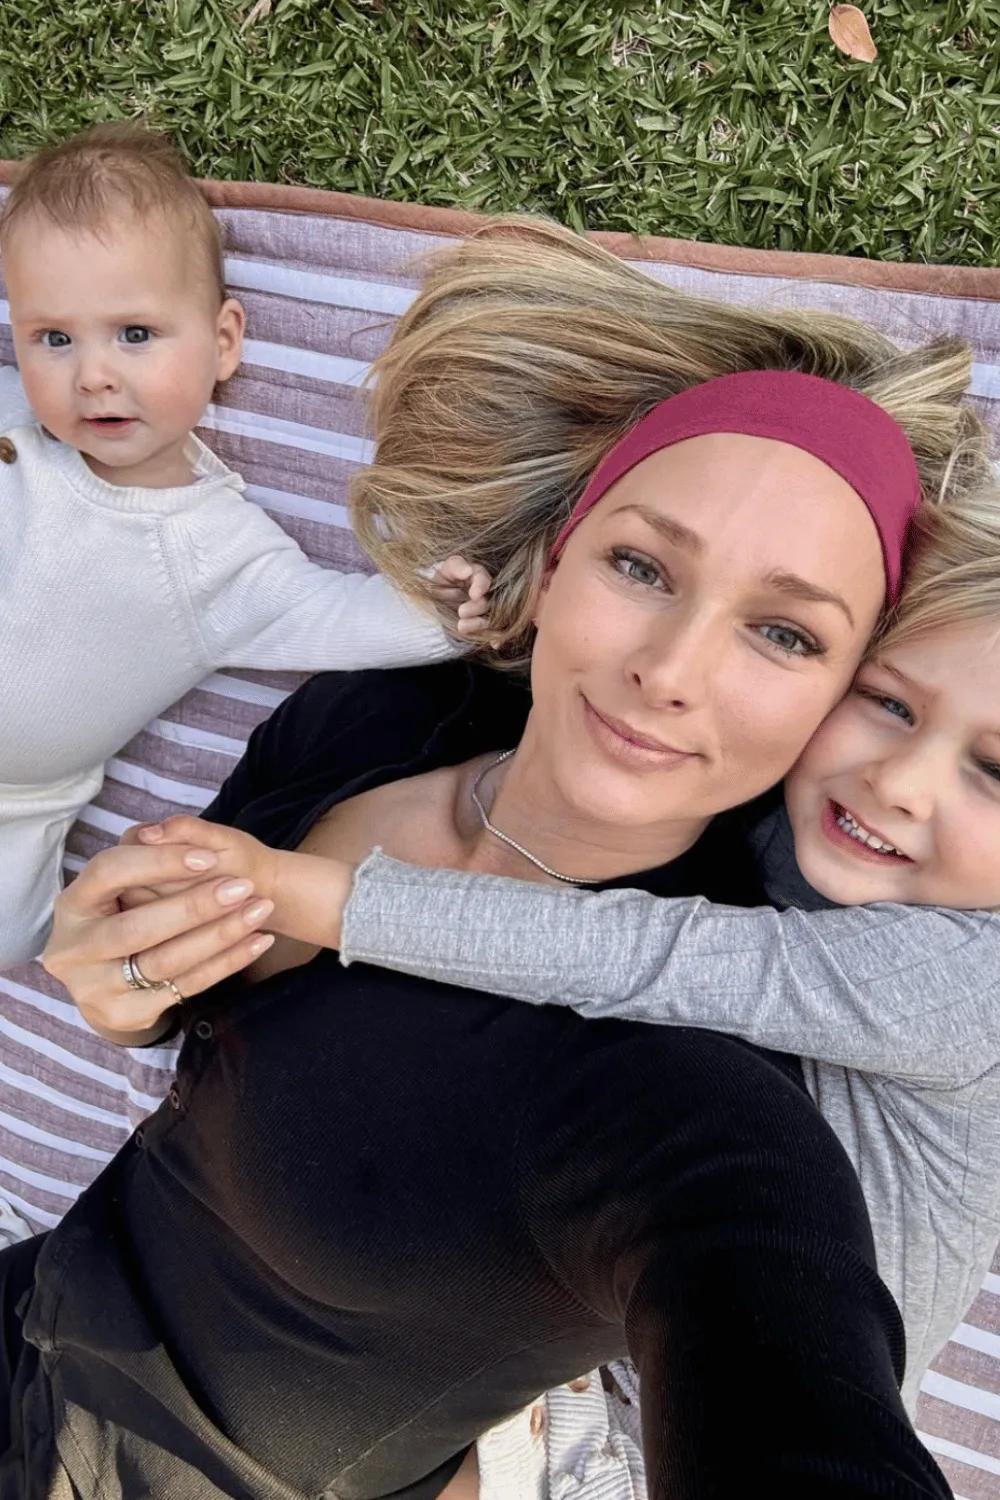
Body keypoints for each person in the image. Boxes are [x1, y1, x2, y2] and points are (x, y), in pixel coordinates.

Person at [32, 230, 991, 1496]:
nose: (671, 670)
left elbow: (771, 1319)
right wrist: (128, 989)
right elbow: (183, 1021)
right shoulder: (368, 721)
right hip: (36, 1301)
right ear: (556, 562)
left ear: (823, 694)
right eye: (640, 567)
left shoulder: (693, 1076)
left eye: (781, 633)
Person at [0, 121, 488, 969]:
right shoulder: (14, 419)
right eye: (53, 338)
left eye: (135, 335)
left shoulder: (211, 552)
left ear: (224, 342)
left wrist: (455, 610)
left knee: (20, 938)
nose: (92, 375)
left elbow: (341, 616)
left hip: (14, 802)